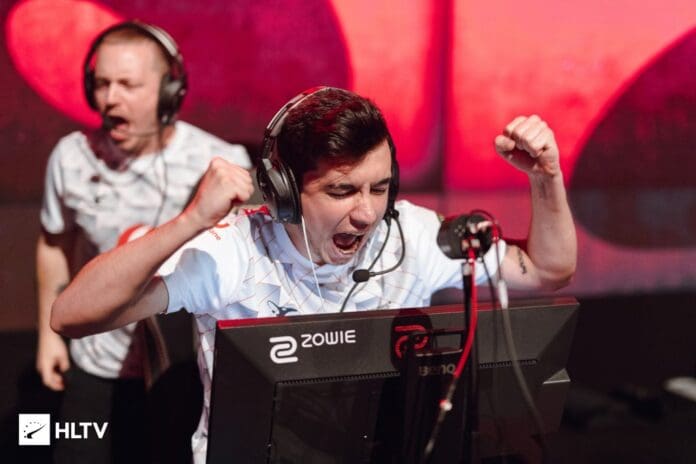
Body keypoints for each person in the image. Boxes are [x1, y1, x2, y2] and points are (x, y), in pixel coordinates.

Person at [51, 87, 576, 463]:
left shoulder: (410, 235)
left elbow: (547, 270)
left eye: (380, 188)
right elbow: (71, 316)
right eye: (341, 191)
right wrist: (190, 221)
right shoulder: (232, 251)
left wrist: (546, 179)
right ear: (283, 194)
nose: (367, 214)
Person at [35, 21, 251, 463]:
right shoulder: (72, 157)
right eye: (101, 84)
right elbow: (53, 244)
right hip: (95, 364)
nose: (110, 99)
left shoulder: (219, 163)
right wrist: (48, 336)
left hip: (182, 374)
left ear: (170, 91)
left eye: (128, 85)